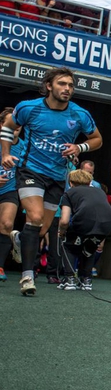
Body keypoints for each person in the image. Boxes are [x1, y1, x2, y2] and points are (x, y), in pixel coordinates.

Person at [0, 67, 102, 296]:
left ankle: (20, 238)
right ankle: (28, 277)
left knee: (41, 229)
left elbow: (97, 139)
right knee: (35, 217)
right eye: (62, 84)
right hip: (30, 171)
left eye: (71, 85)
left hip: (57, 177)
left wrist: (79, 147)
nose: (67, 89)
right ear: (49, 86)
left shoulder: (79, 114)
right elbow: (8, 127)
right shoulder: (28, 108)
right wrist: (6, 154)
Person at [57, 170, 111, 291]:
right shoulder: (100, 191)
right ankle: (86, 280)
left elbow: (64, 220)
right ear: (89, 182)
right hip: (108, 222)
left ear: (71, 183)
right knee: (90, 247)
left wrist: (62, 232)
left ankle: (69, 279)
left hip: (84, 220)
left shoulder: (69, 193)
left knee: (69, 246)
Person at [0, 108, 23, 282]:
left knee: (7, 224)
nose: (15, 126)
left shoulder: (24, 145)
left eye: (18, 123)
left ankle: (0, 266)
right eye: (11, 123)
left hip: (9, 190)